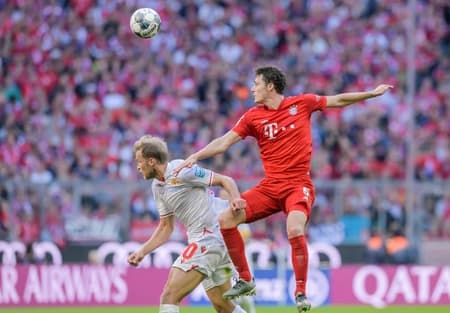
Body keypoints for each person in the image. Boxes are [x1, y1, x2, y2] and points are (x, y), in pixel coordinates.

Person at [173, 66, 393, 312]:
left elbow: (338, 99)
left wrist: (371, 94)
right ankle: (246, 278)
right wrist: (196, 155)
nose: (253, 88)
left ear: (270, 85)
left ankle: (300, 292)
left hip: (298, 185)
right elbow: (224, 142)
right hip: (270, 187)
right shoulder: (252, 117)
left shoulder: (303, 103)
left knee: (295, 228)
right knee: (226, 219)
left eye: (256, 83)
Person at [127, 135, 248, 313]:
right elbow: (166, 227)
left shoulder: (181, 170)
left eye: (139, 161)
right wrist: (142, 251)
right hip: (211, 242)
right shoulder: (157, 187)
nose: (138, 167)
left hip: (209, 239)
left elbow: (225, 180)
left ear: (151, 161)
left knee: (169, 296)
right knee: (223, 306)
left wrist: (236, 199)